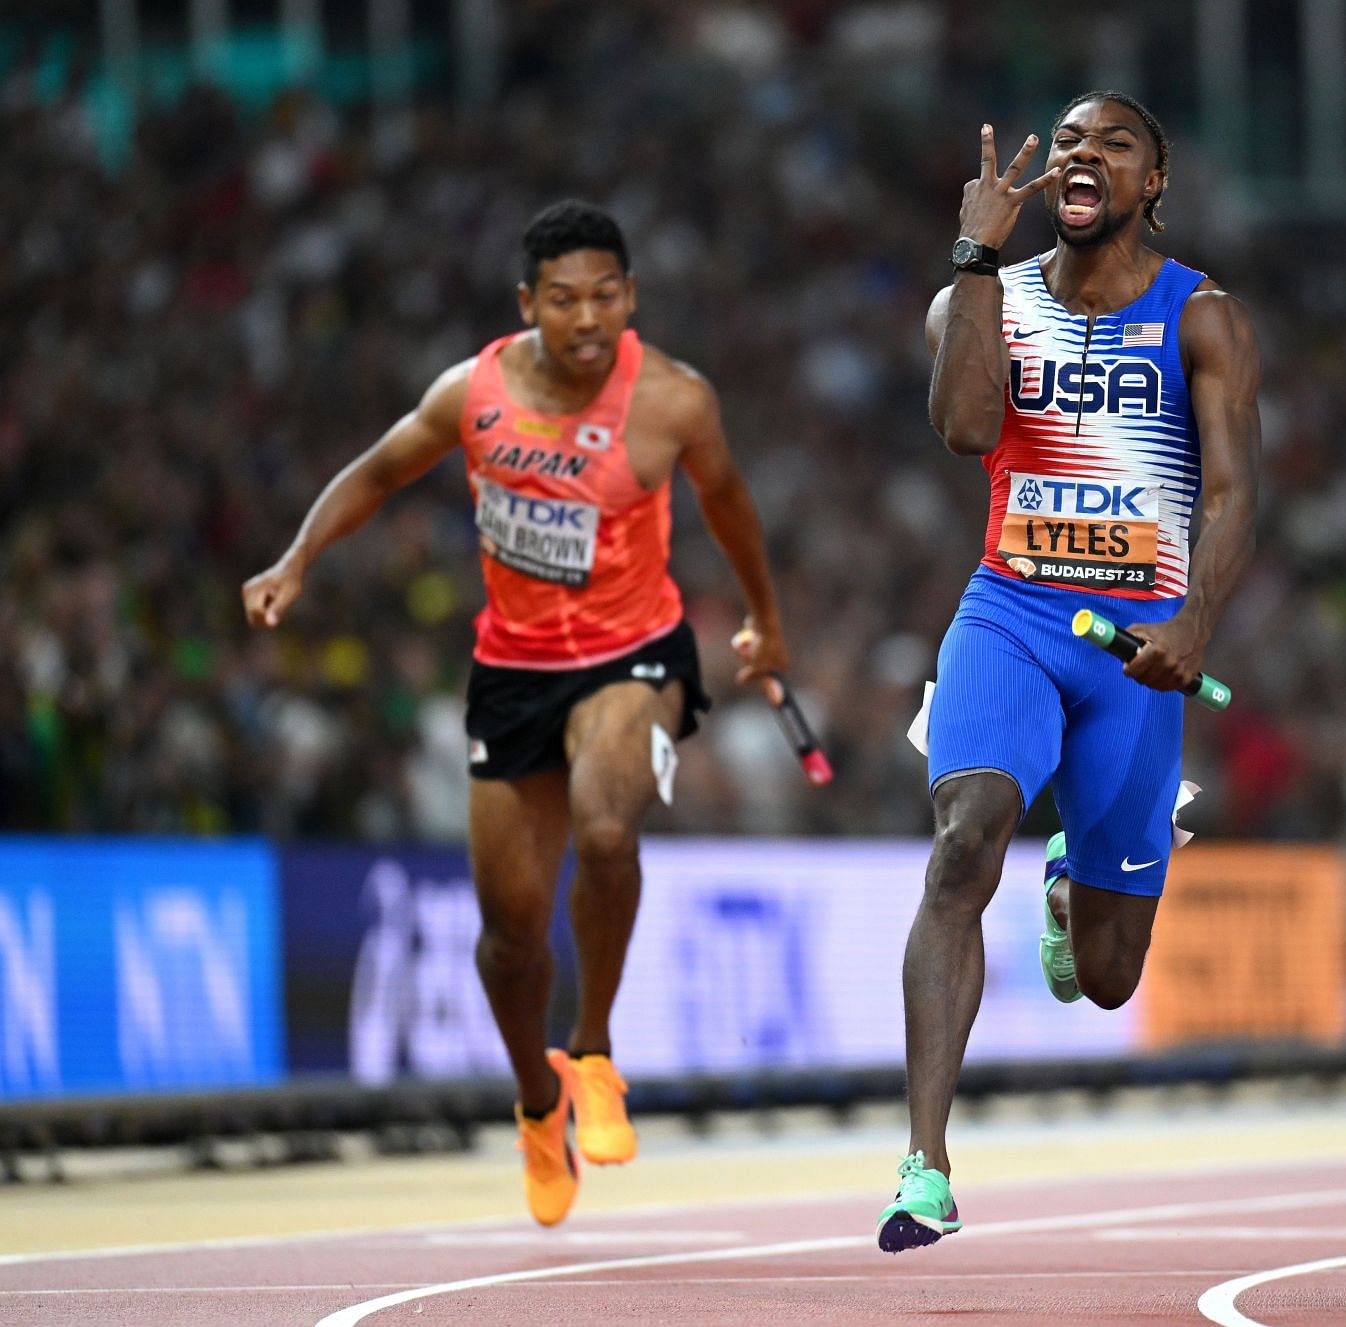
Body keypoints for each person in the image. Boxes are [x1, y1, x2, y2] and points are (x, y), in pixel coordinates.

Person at [242, 200, 790, 1227]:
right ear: (527, 303)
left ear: (630, 296)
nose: (590, 319)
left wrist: (764, 618)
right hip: (513, 672)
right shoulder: (473, 392)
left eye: (608, 297)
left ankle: (592, 1052)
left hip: (635, 653)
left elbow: (730, 506)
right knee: (507, 937)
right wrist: (296, 559)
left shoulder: (672, 399)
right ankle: (538, 1106)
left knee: (608, 824)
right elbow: (376, 471)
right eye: (566, 300)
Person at [877, 92, 1261, 1252]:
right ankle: (925, 1164)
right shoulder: (978, 292)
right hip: (1011, 613)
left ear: (1154, 184)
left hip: (1138, 647)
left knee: (1105, 978)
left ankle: (1073, 878)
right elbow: (961, 430)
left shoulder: (1203, 316)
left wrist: (1197, 619)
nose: (1087, 153)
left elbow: (1235, 488)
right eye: (1073, 140)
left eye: (1118, 143)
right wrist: (976, 258)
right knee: (962, 838)